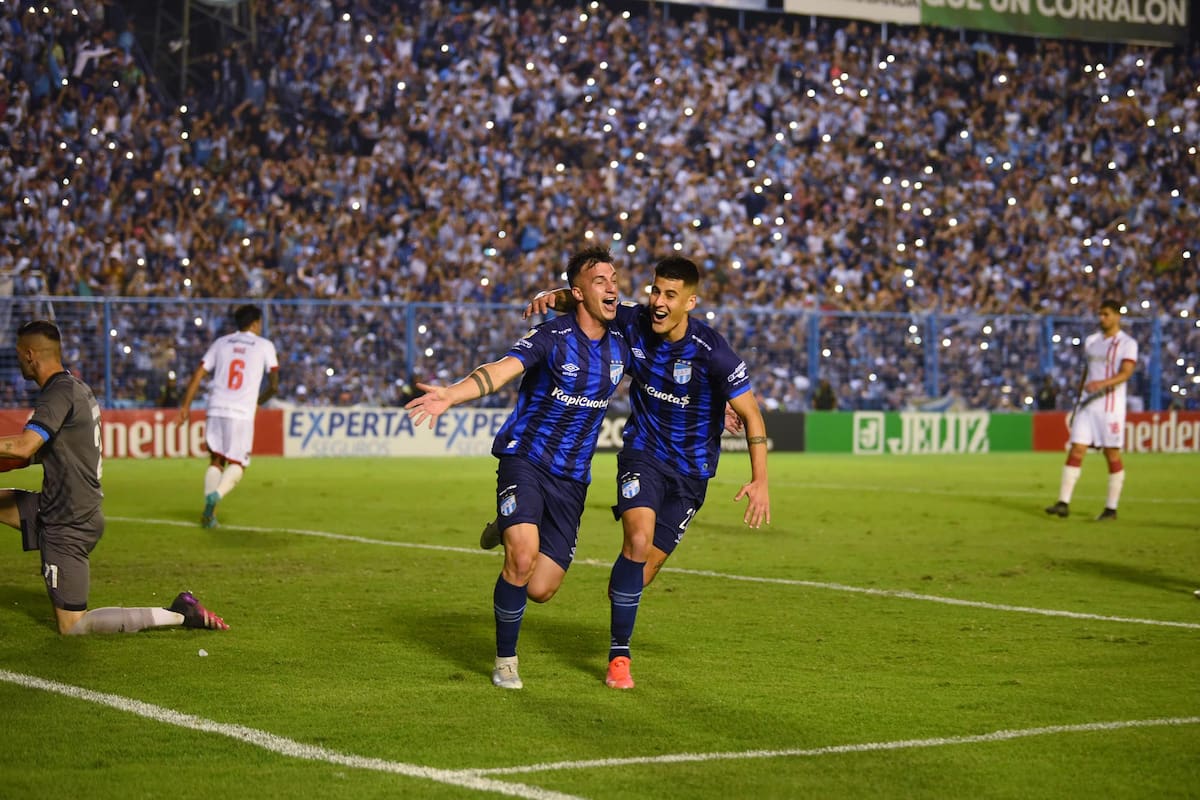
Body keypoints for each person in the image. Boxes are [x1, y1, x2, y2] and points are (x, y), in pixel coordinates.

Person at [519, 255, 770, 690]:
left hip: (691, 473)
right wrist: (550, 298)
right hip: (642, 453)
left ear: (690, 302)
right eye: (655, 290)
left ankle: (621, 598)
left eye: (670, 295)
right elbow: (592, 302)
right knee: (637, 539)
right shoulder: (634, 322)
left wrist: (760, 480)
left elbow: (752, 415)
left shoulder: (713, 351)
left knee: (640, 573)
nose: (657, 301)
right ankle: (619, 657)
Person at [405, 246, 629, 690]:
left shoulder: (624, 340)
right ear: (578, 292)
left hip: (572, 477)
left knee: (541, 587)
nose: (612, 286)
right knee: (521, 557)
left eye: (615, 278)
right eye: (601, 280)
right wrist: (451, 393)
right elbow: (502, 370)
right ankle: (506, 660)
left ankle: (502, 526)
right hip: (525, 456)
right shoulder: (552, 336)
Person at [0, 320, 228, 634]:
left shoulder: (58, 392)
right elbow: (43, 452)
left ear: (29, 355)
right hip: (65, 507)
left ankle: (179, 613)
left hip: (68, 522)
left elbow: (26, 446)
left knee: (73, 626)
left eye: (17, 355)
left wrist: (14, 455)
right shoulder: (74, 387)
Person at [177, 305, 279, 528]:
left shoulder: (221, 343)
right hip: (241, 411)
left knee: (216, 459)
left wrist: (185, 406)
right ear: (255, 324)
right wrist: (258, 403)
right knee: (238, 464)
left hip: (216, 407)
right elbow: (274, 385)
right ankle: (217, 496)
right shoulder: (265, 345)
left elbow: (198, 373)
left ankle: (209, 514)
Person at [1045, 298, 1138, 521]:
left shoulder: (1127, 343)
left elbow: (1126, 373)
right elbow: (1088, 371)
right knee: (1076, 449)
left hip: (1110, 407)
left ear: (1117, 316)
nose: (1101, 318)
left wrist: (1101, 384)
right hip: (1087, 405)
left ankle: (1111, 508)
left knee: (1111, 453)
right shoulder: (1092, 341)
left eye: (1106, 314)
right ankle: (1063, 502)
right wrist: (1080, 395)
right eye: (1100, 314)